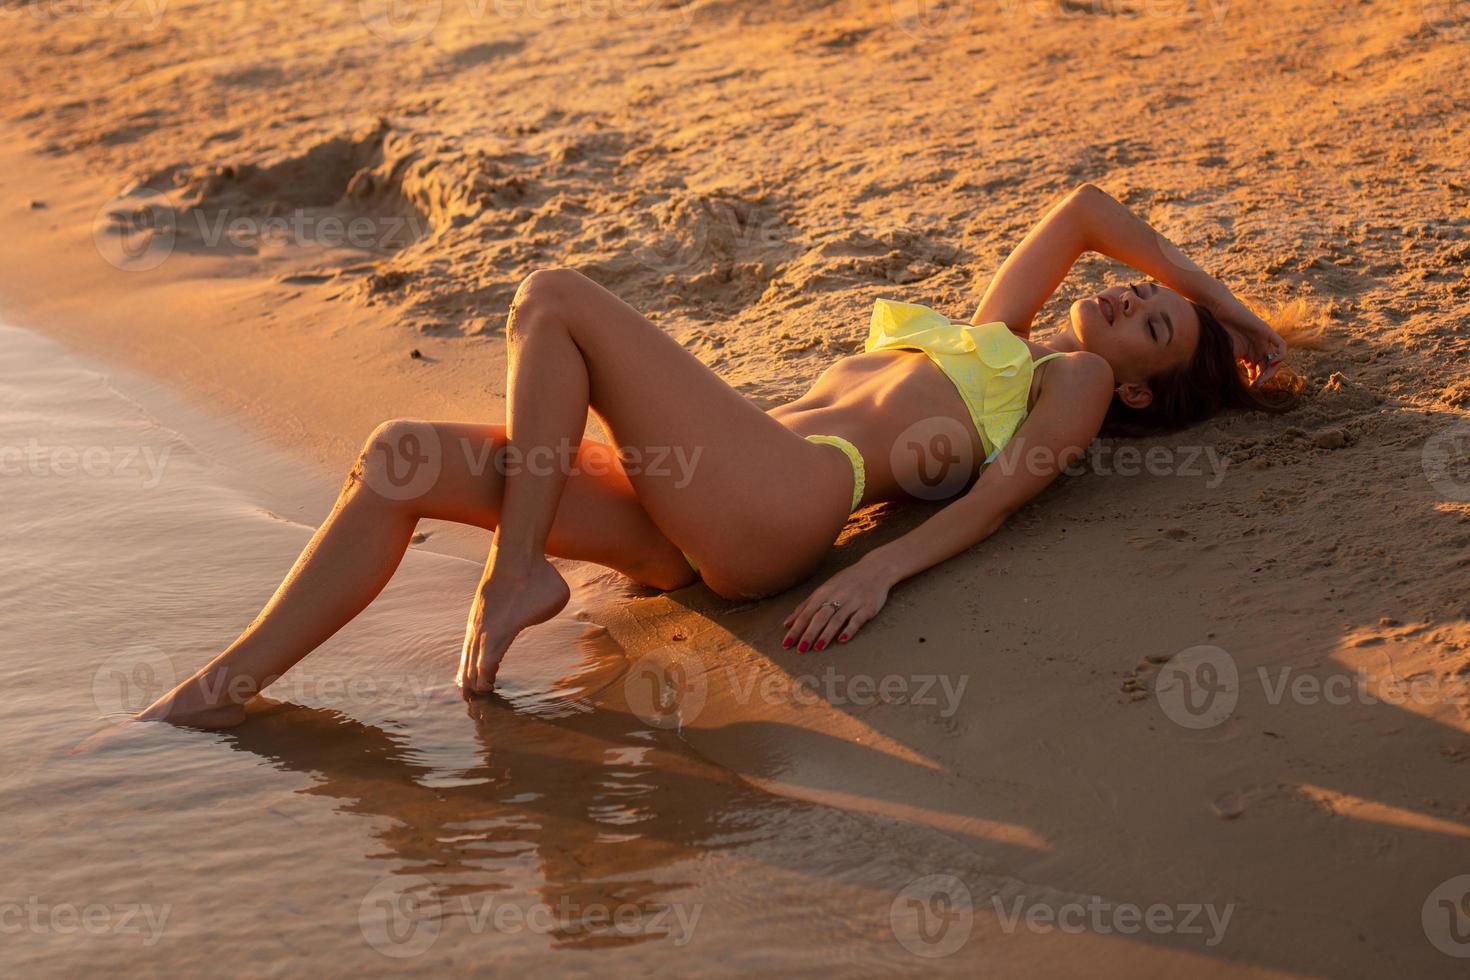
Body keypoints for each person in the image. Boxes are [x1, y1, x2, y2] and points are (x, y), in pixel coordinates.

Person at [139, 183, 1289, 728]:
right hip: (698, 500)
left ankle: (515, 572)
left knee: (553, 296)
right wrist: (1221, 302)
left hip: (780, 503)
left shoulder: (1068, 380)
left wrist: (876, 568)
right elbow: (1086, 207)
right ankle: (208, 694)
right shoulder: (997, 330)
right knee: (395, 458)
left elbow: (995, 500)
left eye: (1154, 321)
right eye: (1149, 293)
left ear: (1135, 381)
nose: (1136, 293)